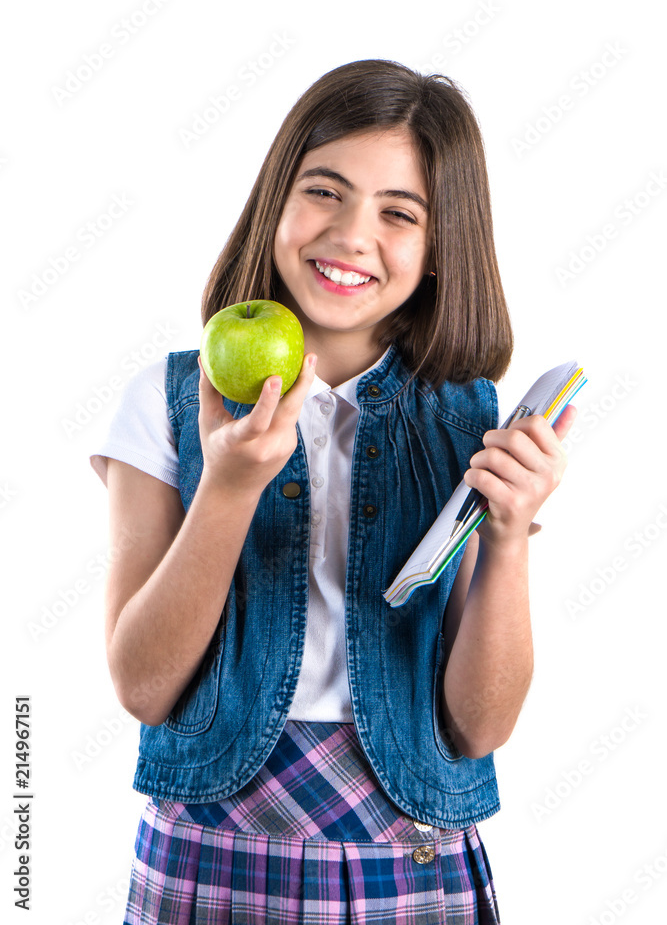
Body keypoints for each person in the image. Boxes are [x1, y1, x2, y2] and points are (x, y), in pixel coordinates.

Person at [91, 59, 576, 924]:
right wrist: (230, 486)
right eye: (324, 191)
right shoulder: (166, 401)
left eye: (399, 213)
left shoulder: (469, 420)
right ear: (275, 203)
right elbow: (142, 686)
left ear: (436, 253)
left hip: (414, 855)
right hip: (209, 846)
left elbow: (478, 727)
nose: (353, 236)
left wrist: (506, 536)